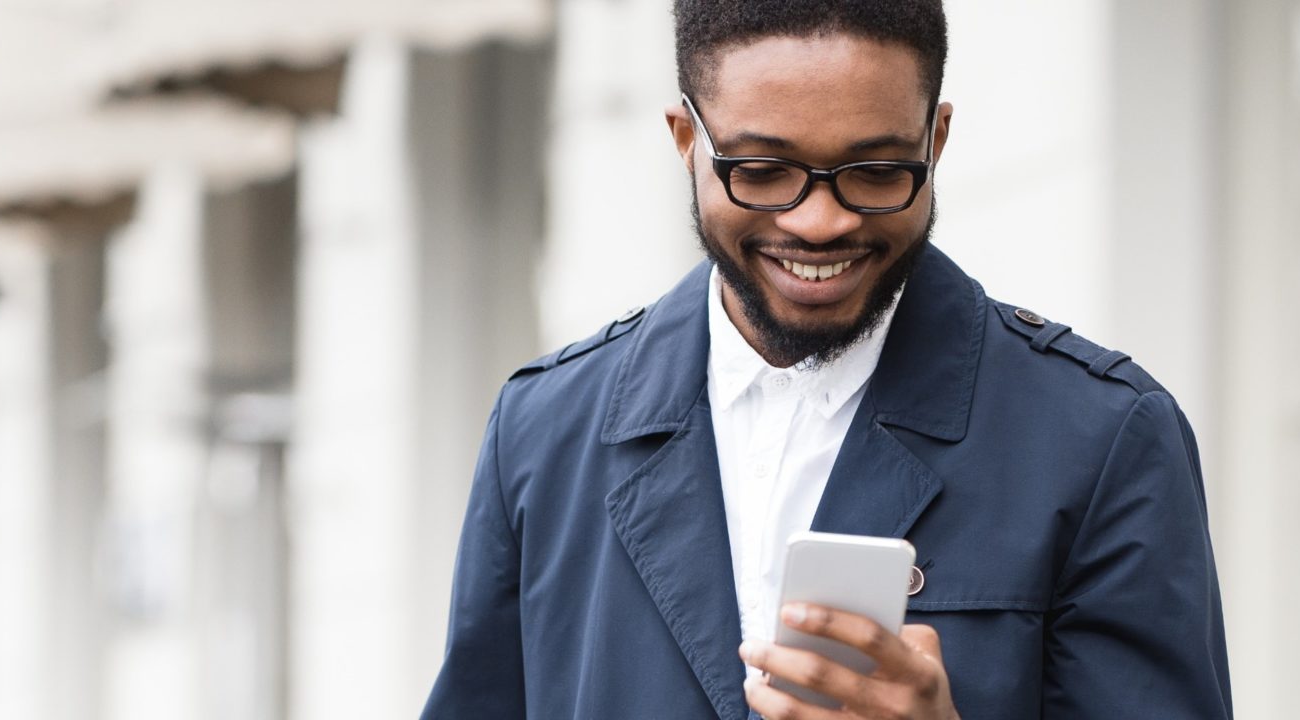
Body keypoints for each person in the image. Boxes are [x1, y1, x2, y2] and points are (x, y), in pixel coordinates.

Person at [422, 1, 1230, 717]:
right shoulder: (542, 432)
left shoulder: (1102, 440)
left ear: (936, 141)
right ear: (685, 142)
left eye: (877, 172)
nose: (817, 223)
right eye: (762, 171)